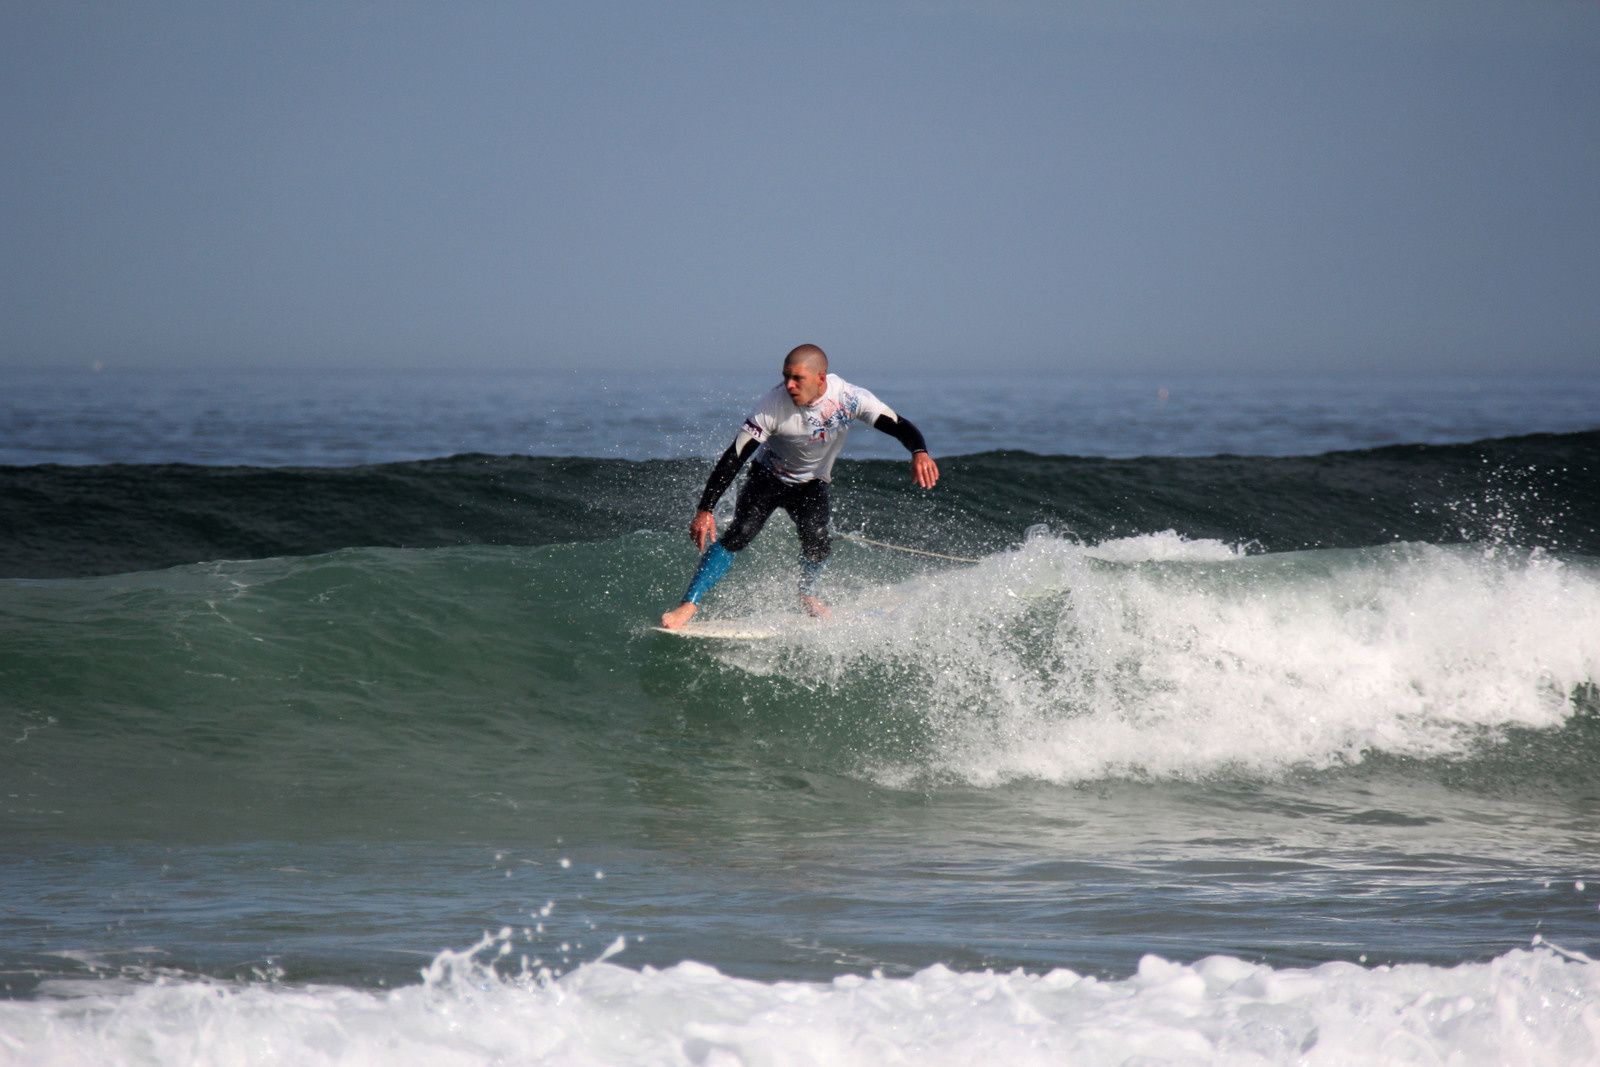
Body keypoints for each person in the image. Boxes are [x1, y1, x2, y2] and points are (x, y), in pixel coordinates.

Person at [660, 344, 939, 629]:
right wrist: (705, 508)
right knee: (740, 533)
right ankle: (688, 604)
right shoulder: (773, 406)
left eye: (798, 378)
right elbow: (735, 456)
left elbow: (898, 425)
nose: (789, 385)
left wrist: (919, 452)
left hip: (812, 484)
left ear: (821, 378)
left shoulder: (850, 398)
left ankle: (806, 593)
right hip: (767, 477)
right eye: (786, 377)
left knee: (817, 541)